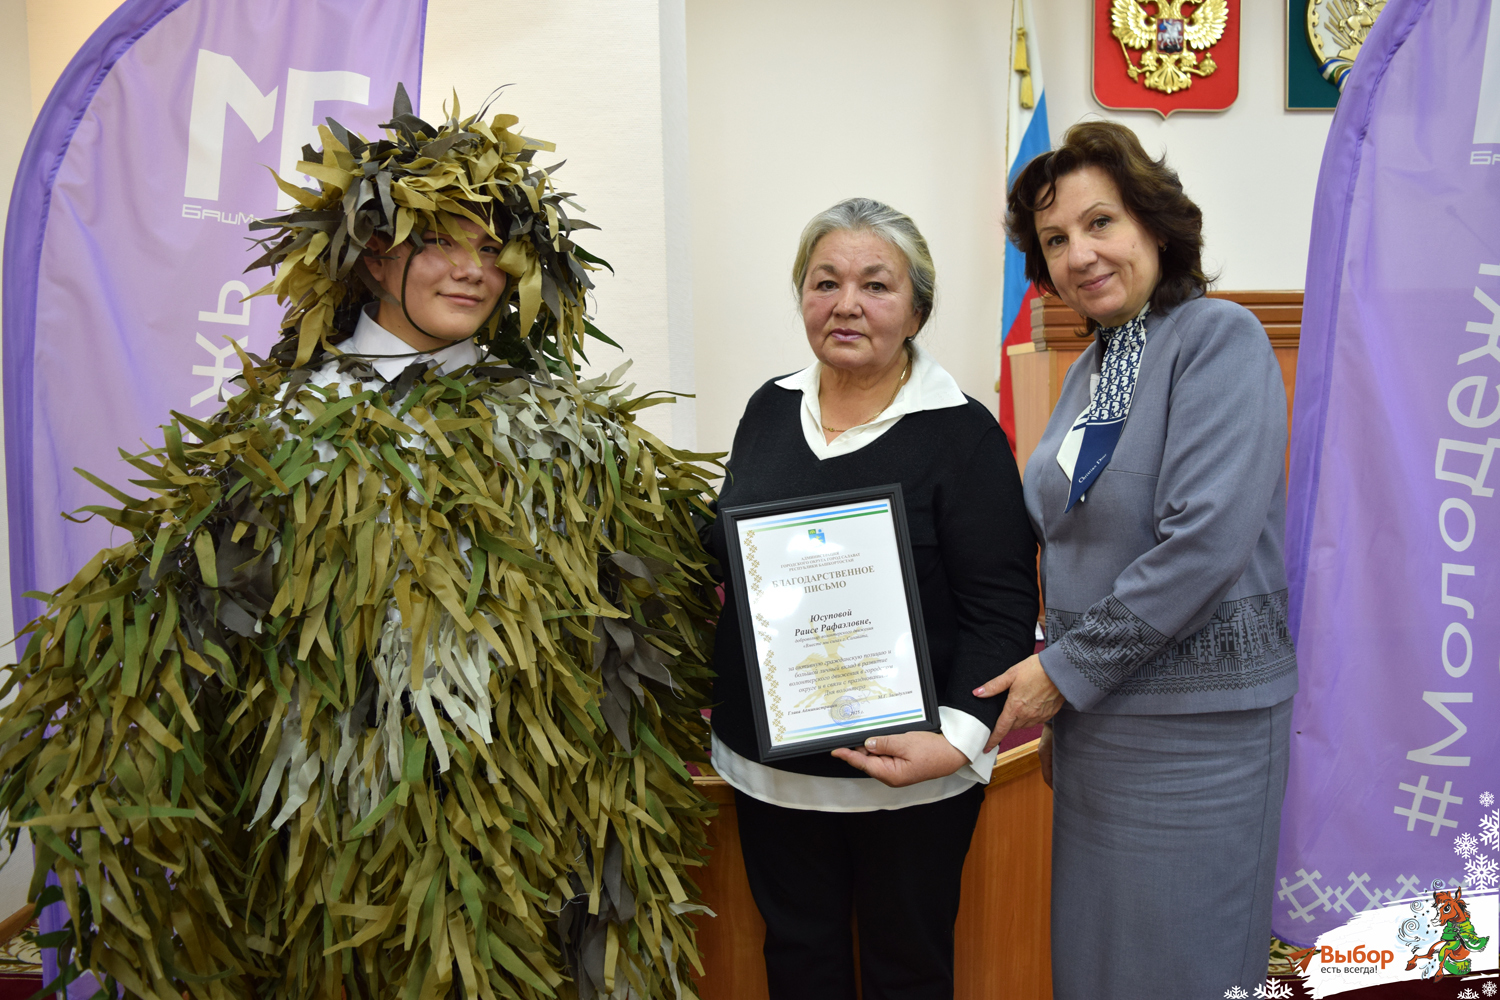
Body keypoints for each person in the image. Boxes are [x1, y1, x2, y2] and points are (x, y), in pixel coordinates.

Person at [0, 89, 721, 999]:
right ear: (375, 253)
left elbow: (662, 621)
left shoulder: (569, 429)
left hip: (540, 861)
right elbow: (179, 650)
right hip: (342, 866)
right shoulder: (277, 432)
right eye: (440, 240)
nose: (472, 270)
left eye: (492, 246)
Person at [977, 120, 1298, 999]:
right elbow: (1072, 531)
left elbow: (1202, 545)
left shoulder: (1217, 338)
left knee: (1180, 974)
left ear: (1153, 225)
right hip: (1101, 732)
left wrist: (1062, 672)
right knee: (1100, 974)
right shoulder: (1099, 367)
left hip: (1199, 741)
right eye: (1055, 240)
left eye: (1100, 223)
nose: (1079, 254)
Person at [708, 197, 1039, 999]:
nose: (846, 304)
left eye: (875, 285)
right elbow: (736, 550)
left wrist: (958, 740)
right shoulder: (768, 408)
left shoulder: (963, 435)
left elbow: (1001, 610)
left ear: (917, 308)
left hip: (912, 773)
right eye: (824, 282)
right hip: (773, 769)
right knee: (797, 963)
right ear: (801, 298)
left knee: (907, 972)